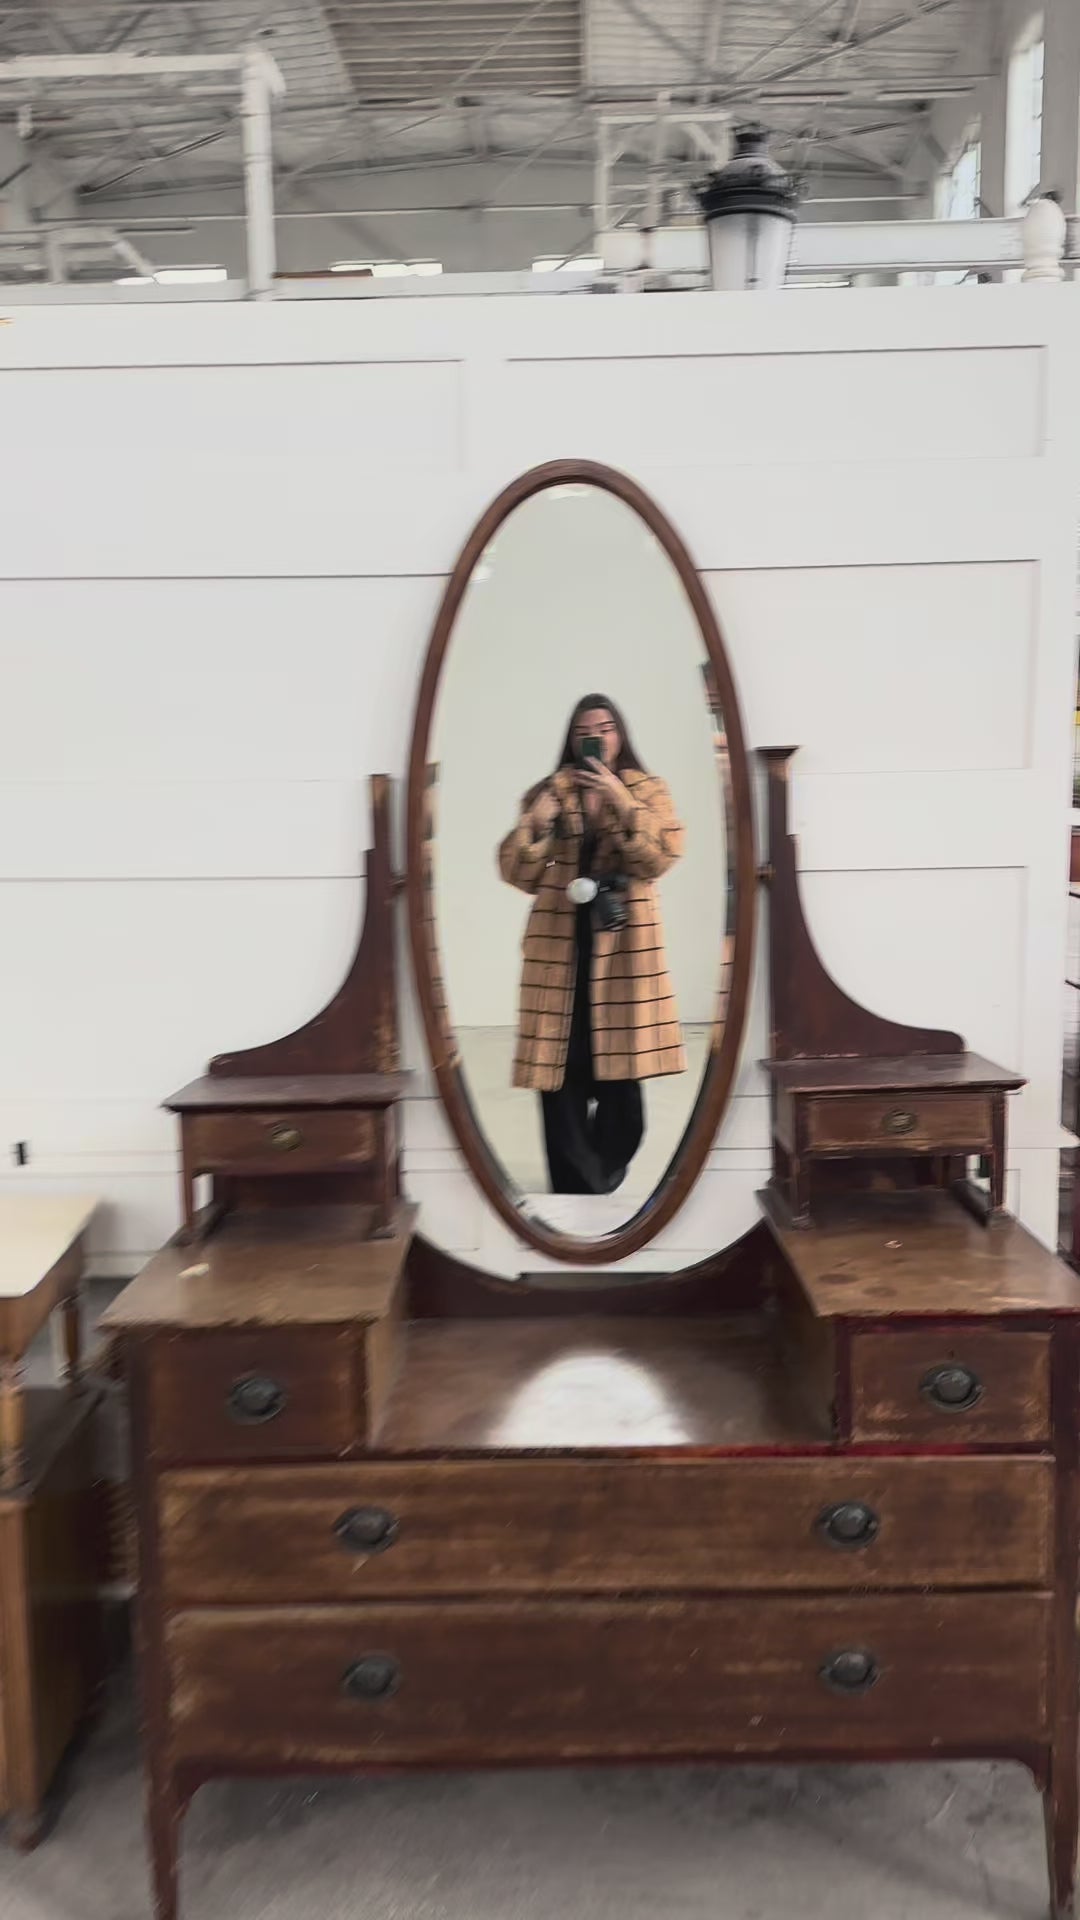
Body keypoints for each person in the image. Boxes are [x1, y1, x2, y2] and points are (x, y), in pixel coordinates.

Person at [498, 695, 685, 1195]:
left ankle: (598, 1175)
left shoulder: (648, 791)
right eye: (584, 731)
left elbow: (661, 858)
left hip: (623, 945)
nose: (596, 737)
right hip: (559, 948)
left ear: (621, 735)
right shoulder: (548, 793)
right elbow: (517, 873)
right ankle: (574, 1191)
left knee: (622, 1088)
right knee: (559, 1076)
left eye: (605, 728)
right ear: (571, 739)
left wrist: (621, 800)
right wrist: (536, 822)